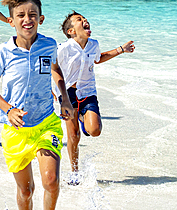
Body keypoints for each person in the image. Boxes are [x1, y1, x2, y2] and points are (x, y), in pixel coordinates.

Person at [0, 0, 73, 210]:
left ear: (41, 18)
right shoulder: (2, 53)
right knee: (26, 190)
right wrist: (8, 109)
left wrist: (65, 99)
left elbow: (56, 71)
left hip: (46, 121)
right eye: (20, 15)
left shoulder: (49, 46)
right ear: (10, 20)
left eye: (32, 14)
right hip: (16, 130)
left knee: (51, 180)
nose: (27, 19)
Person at [56, 11, 135, 175]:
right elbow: (52, 67)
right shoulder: (64, 49)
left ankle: (83, 118)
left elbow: (98, 58)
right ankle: (75, 172)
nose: (85, 21)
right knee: (73, 135)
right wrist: (52, 91)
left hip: (87, 92)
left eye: (85, 19)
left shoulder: (94, 44)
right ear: (71, 31)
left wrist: (121, 49)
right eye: (79, 20)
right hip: (68, 94)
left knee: (95, 130)